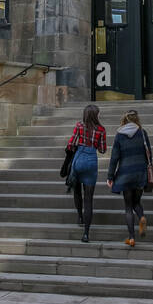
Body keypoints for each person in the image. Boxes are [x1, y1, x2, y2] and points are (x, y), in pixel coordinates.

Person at [107, 109, 153, 247]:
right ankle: (142, 217)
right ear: (137, 119)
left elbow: (114, 157)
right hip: (140, 172)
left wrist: (110, 176)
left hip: (125, 174)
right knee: (136, 202)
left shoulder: (119, 135)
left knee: (128, 207)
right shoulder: (142, 133)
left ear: (124, 120)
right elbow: (149, 154)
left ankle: (132, 238)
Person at [65, 103, 107, 242]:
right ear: (95, 115)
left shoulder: (79, 126)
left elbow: (70, 144)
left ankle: (79, 216)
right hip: (91, 162)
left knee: (77, 191)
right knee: (88, 199)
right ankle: (86, 234)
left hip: (78, 160)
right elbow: (102, 150)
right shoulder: (101, 129)